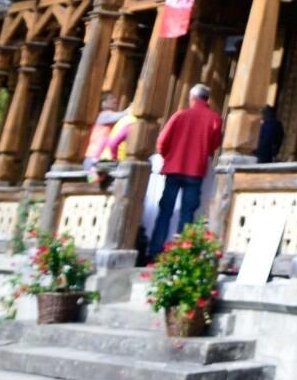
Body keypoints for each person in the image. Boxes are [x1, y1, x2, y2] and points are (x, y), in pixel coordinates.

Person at [144, 83, 224, 258]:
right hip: (195, 170)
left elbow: (162, 141)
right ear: (207, 99)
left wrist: (168, 156)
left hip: (173, 168)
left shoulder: (180, 115)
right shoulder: (214, 118)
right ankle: (181, 253)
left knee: (165, 211)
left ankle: (155, 251)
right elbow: (214, 144)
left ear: (192, 98)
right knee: (187, 213)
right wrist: (201, 153)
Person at [83, 93, 142, 187]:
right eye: (111, 99)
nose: (115, 101)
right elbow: (123, 114)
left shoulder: (112, 121)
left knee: (98, 184)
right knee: (93, 185)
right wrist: (133, 107)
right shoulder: (104, 115)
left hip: (99, 159)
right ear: (103, 103)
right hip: (94, 159)